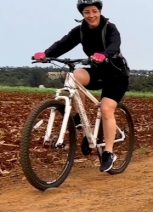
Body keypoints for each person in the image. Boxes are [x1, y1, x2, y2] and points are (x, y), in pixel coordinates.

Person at [32, 0, 130, 172]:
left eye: (94, 11)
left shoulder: (110, 28)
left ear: (99, 11)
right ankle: (80, 119)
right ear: (82, 14)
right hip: (98, 72)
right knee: (73, 76)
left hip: (116, 75)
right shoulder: (81, 31)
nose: (91, 15)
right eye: (87, 12)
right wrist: (46, 54)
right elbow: (63, 44)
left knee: (106, 109)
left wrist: (104, 54)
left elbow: (115, 44)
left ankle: (108, 153)